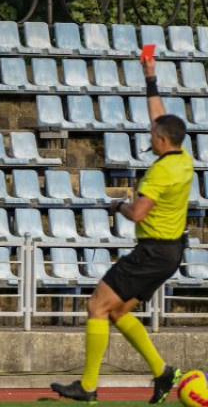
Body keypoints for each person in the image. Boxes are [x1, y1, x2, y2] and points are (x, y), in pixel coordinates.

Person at [50, 55, 191, 404]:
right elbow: (160, 118)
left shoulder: (160, 173)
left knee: (96, 305)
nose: (149, 134)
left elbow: (139, 214)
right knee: (116, 311)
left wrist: (118, 206)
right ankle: (163, 372)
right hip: (170, 252)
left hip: (152, 250)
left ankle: (87, 386)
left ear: (160, 140)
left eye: (152, 134)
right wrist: (150, 77)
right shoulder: (183, 159)